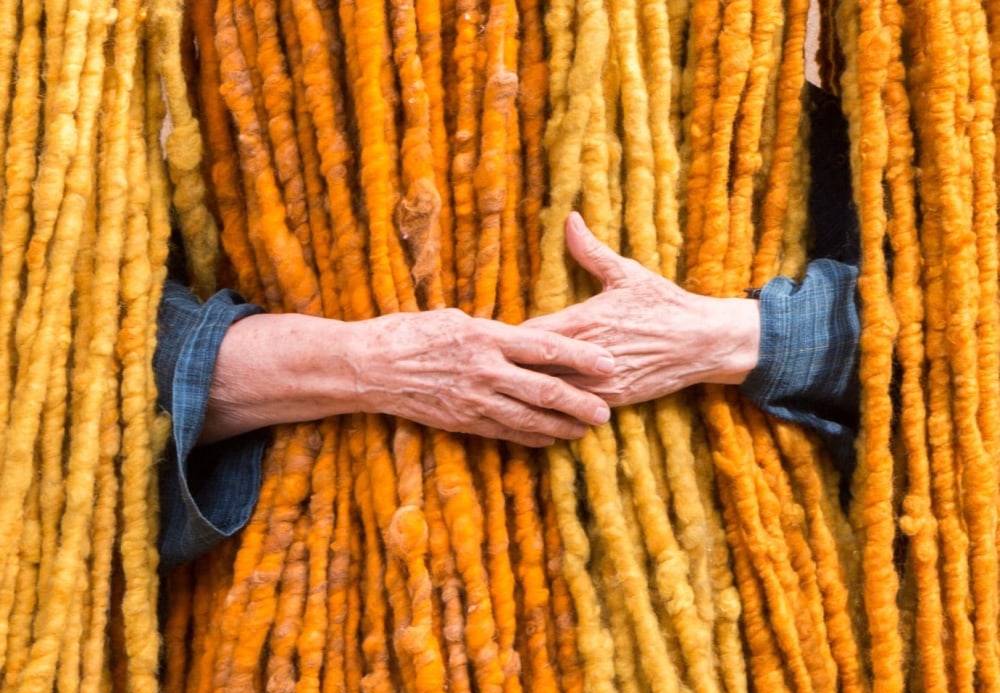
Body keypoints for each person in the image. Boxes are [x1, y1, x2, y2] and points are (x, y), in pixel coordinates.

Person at [156, 85, 861, 569]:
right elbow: (74, 328)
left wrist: (735, 334)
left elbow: (956, 302)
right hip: (321, 564)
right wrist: (363, 360)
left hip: (725, 559)